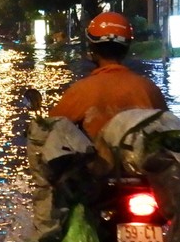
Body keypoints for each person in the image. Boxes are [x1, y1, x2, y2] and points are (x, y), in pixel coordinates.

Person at [51, 12, 166, 161]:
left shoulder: (81, 91)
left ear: (93, 49)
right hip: (144, 169)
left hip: (98, 174)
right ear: (126, 48)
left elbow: (50, 130)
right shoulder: (149, 88)